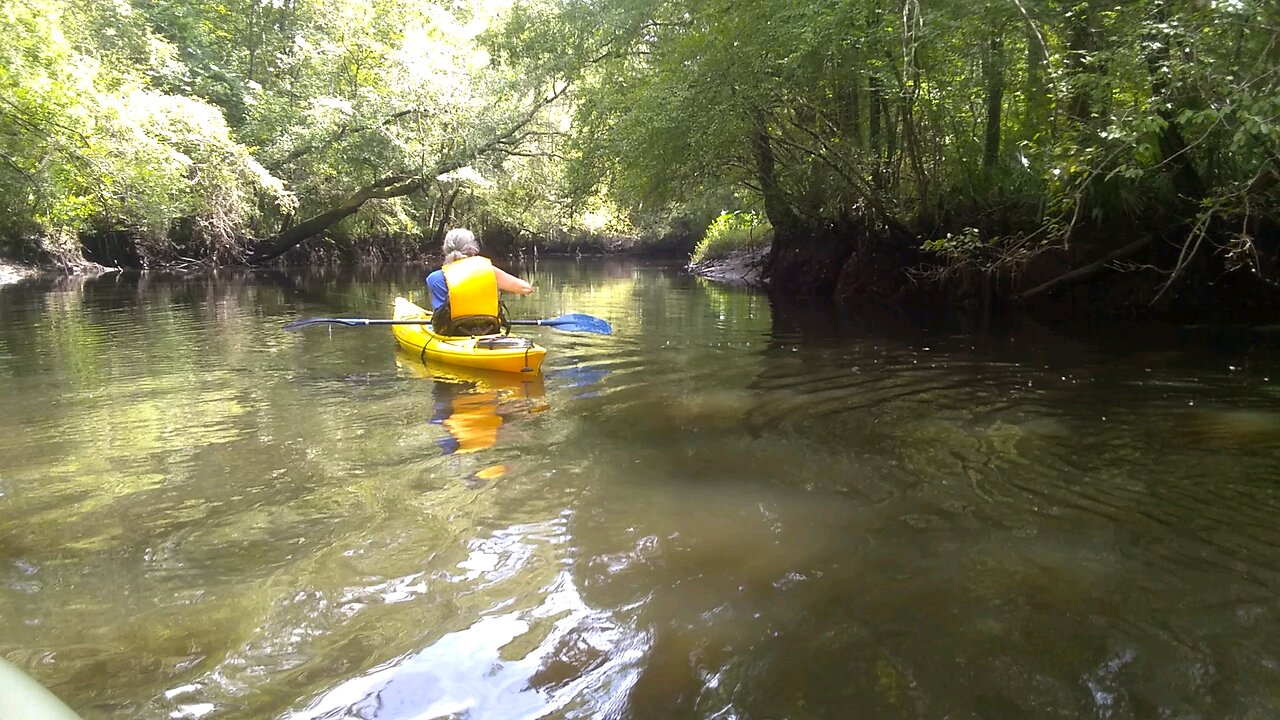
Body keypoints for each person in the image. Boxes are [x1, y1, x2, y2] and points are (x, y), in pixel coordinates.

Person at [425, 228, 533, 335]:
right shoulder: (489, 271)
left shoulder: (434, 279)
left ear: (445, 249)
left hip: (452, 332)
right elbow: (526, 289)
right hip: (489, 329)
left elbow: (439, 315)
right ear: (473, 249)